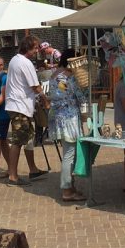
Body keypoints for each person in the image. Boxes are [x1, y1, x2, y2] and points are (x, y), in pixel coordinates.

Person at [3, 36, 49, 186]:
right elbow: (35, 86)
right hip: (20, 107)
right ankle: (13, 176)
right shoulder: (25, 62)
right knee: (18, 140)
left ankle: (33, 169)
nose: (37, 51)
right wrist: (45, 99)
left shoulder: (14, 60)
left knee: (28, 137)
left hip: (17, 105)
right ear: (28, 48)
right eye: (35, 48)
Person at [47, 51, 86, 202]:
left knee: (68, 153)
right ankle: (67, 190)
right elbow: (80, 96)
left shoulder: (53, 75)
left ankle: (70, 187)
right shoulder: (70, 76)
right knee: (69, 155)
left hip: (58, 117)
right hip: (69, 118)